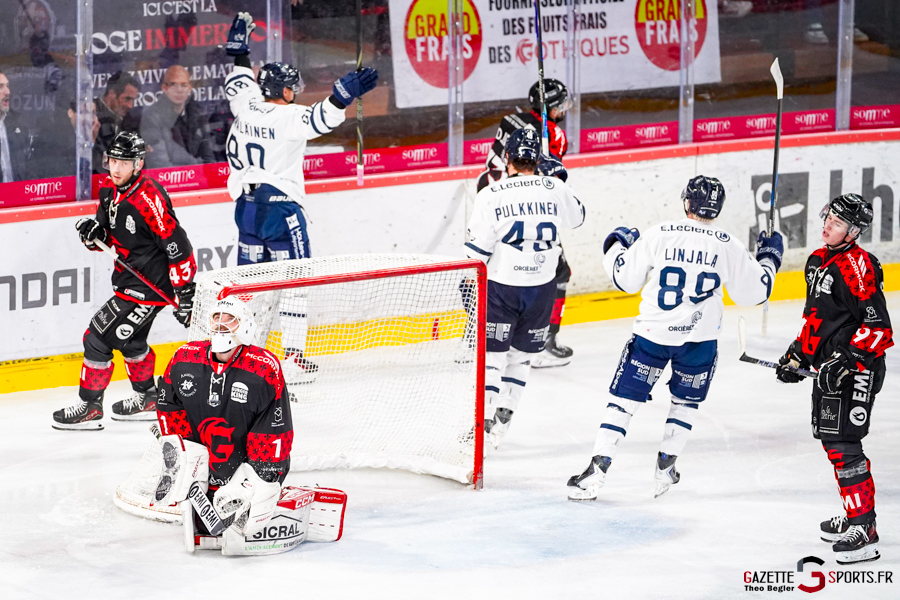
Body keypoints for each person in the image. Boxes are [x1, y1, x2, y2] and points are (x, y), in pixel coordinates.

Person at [567, 175, 784, 500]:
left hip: (653, 336)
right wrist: (769, 257)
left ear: (687, 203)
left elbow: (625, 279)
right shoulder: (728, 244)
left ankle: (595, 473)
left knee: (624, 403)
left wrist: (615, 246)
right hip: (700, 340)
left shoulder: (660, 233)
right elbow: (755, 293)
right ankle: (666, 467)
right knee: (685, 402)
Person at [222, 12, 378, 384]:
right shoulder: (288, 116)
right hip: (281, 212)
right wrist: (342, 96)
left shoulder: (245, 103)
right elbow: (321, 119)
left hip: (245, 210)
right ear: (287, 91)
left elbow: (239, 78)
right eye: (293, 87)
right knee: (295, 283)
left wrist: (240, 52)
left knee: (248, 287)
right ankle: (291, 358)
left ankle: (235, 352)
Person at [52, 131, 197, 431]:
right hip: (128, 280)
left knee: (96, 338)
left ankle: (90, 406)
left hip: (149, 287)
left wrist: (186, 293)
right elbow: (107, 237)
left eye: (124, 162)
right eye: (112, 161)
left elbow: (178, 246)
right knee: (132, 341)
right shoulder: (109, 189)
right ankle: (148, 398)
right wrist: (93, 233)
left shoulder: (149, 198)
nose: (116, 168)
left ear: (139, 163)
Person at [775, 194, 892, 565]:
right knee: (833, 443)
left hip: (857, 370)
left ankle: (864, 528)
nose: (828, 225)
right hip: (831, 369)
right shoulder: (817, 261)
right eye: (829, 217)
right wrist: (798, 354)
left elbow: (879, 329)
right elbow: (817, 319)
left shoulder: (859, 266)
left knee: (844, 444)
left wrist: (847, 360)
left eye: (838, 223)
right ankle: (856, 511)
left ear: (853, 231)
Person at [464, 128, 586, 449]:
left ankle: (480, 432)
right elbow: (578, 218)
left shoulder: (491, 193)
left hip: (503, 287)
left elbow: (476, 254)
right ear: (538, 159)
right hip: (542, 289)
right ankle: (502, 424)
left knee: (493, 359)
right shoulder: (555, 187)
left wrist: (469, 286)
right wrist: (560, 181)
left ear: (507, 158)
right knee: (520, 359)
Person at [477, 79, 575, 368]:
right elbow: (547, 182)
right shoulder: (553, 134)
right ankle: (543, 344)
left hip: (489, 200)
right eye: (560, 106)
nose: (563, 110)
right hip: (523, 207)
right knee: (559, 272)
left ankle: (473, 339)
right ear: (550, 107)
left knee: (482, 268)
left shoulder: (510, 120)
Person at [156, 296, 294, 492]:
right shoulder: (184, 359)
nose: (221, 324)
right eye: (216, 317)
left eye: (230, 319)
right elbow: (169, 410)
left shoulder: (263, 369)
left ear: (245, 326)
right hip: (198, 474)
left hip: (244, 481)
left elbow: (273, 430)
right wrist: (184, 457)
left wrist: (259, 479)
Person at [140, 65, 215, 168]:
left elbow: (209, 157)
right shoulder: (152, 117)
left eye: (184, 85)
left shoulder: (198, 114)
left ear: (189, 88)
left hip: (198, 175)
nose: (179, 90)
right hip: (170, 176)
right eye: (173, 85)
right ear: (164, 88)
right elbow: (160, 163)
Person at [94, 71, 141, 173]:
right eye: (127, 99)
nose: (130, 106)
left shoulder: (129, 119)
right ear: (112, 94)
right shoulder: (91, 116)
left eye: (133, 100)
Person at [0, 70, 35, 182]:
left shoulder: (15, 124)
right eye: (0, 87)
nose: (8, 92)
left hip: (16, 192)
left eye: (7, 86)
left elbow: (27, 169)